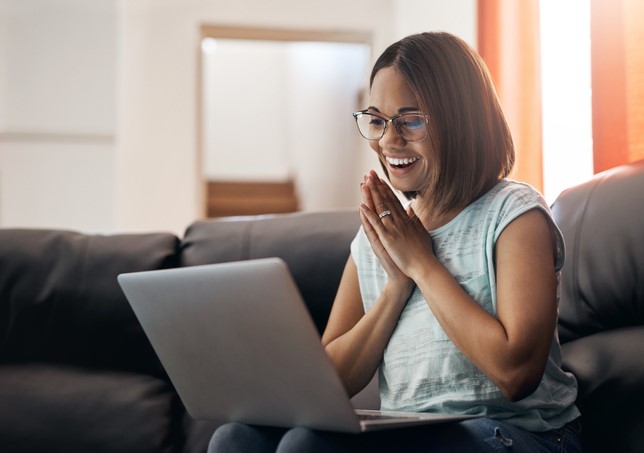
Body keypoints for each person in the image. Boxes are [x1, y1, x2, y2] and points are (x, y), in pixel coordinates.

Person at [208, 31, 581, 452]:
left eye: (412, 120)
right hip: (414, 433)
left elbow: (515, 373)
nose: (388, 140)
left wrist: (422, 264)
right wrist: (396, 288)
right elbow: (330, 381)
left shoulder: (514, 214)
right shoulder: (380, 238)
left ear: (461, 120)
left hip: (517, 433)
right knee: (236, 438)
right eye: (378, 120)